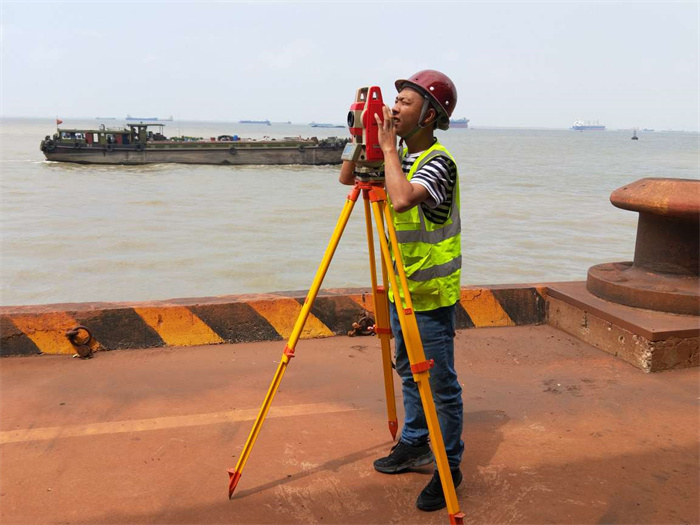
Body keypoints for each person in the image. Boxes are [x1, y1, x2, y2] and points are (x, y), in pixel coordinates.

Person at [339, 70, 464, 512]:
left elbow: (401, 199)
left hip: (429, 295)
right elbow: (345, 179)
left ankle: (450, 465)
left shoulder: (437, 161)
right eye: (394, 101)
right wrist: (359, 135)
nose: (394, 109)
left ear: (429, 115)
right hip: (399, 288)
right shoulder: (399, 156)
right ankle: (414, 442)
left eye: (406, 103)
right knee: (407, 370)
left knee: (438, 382)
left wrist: (389, 148)